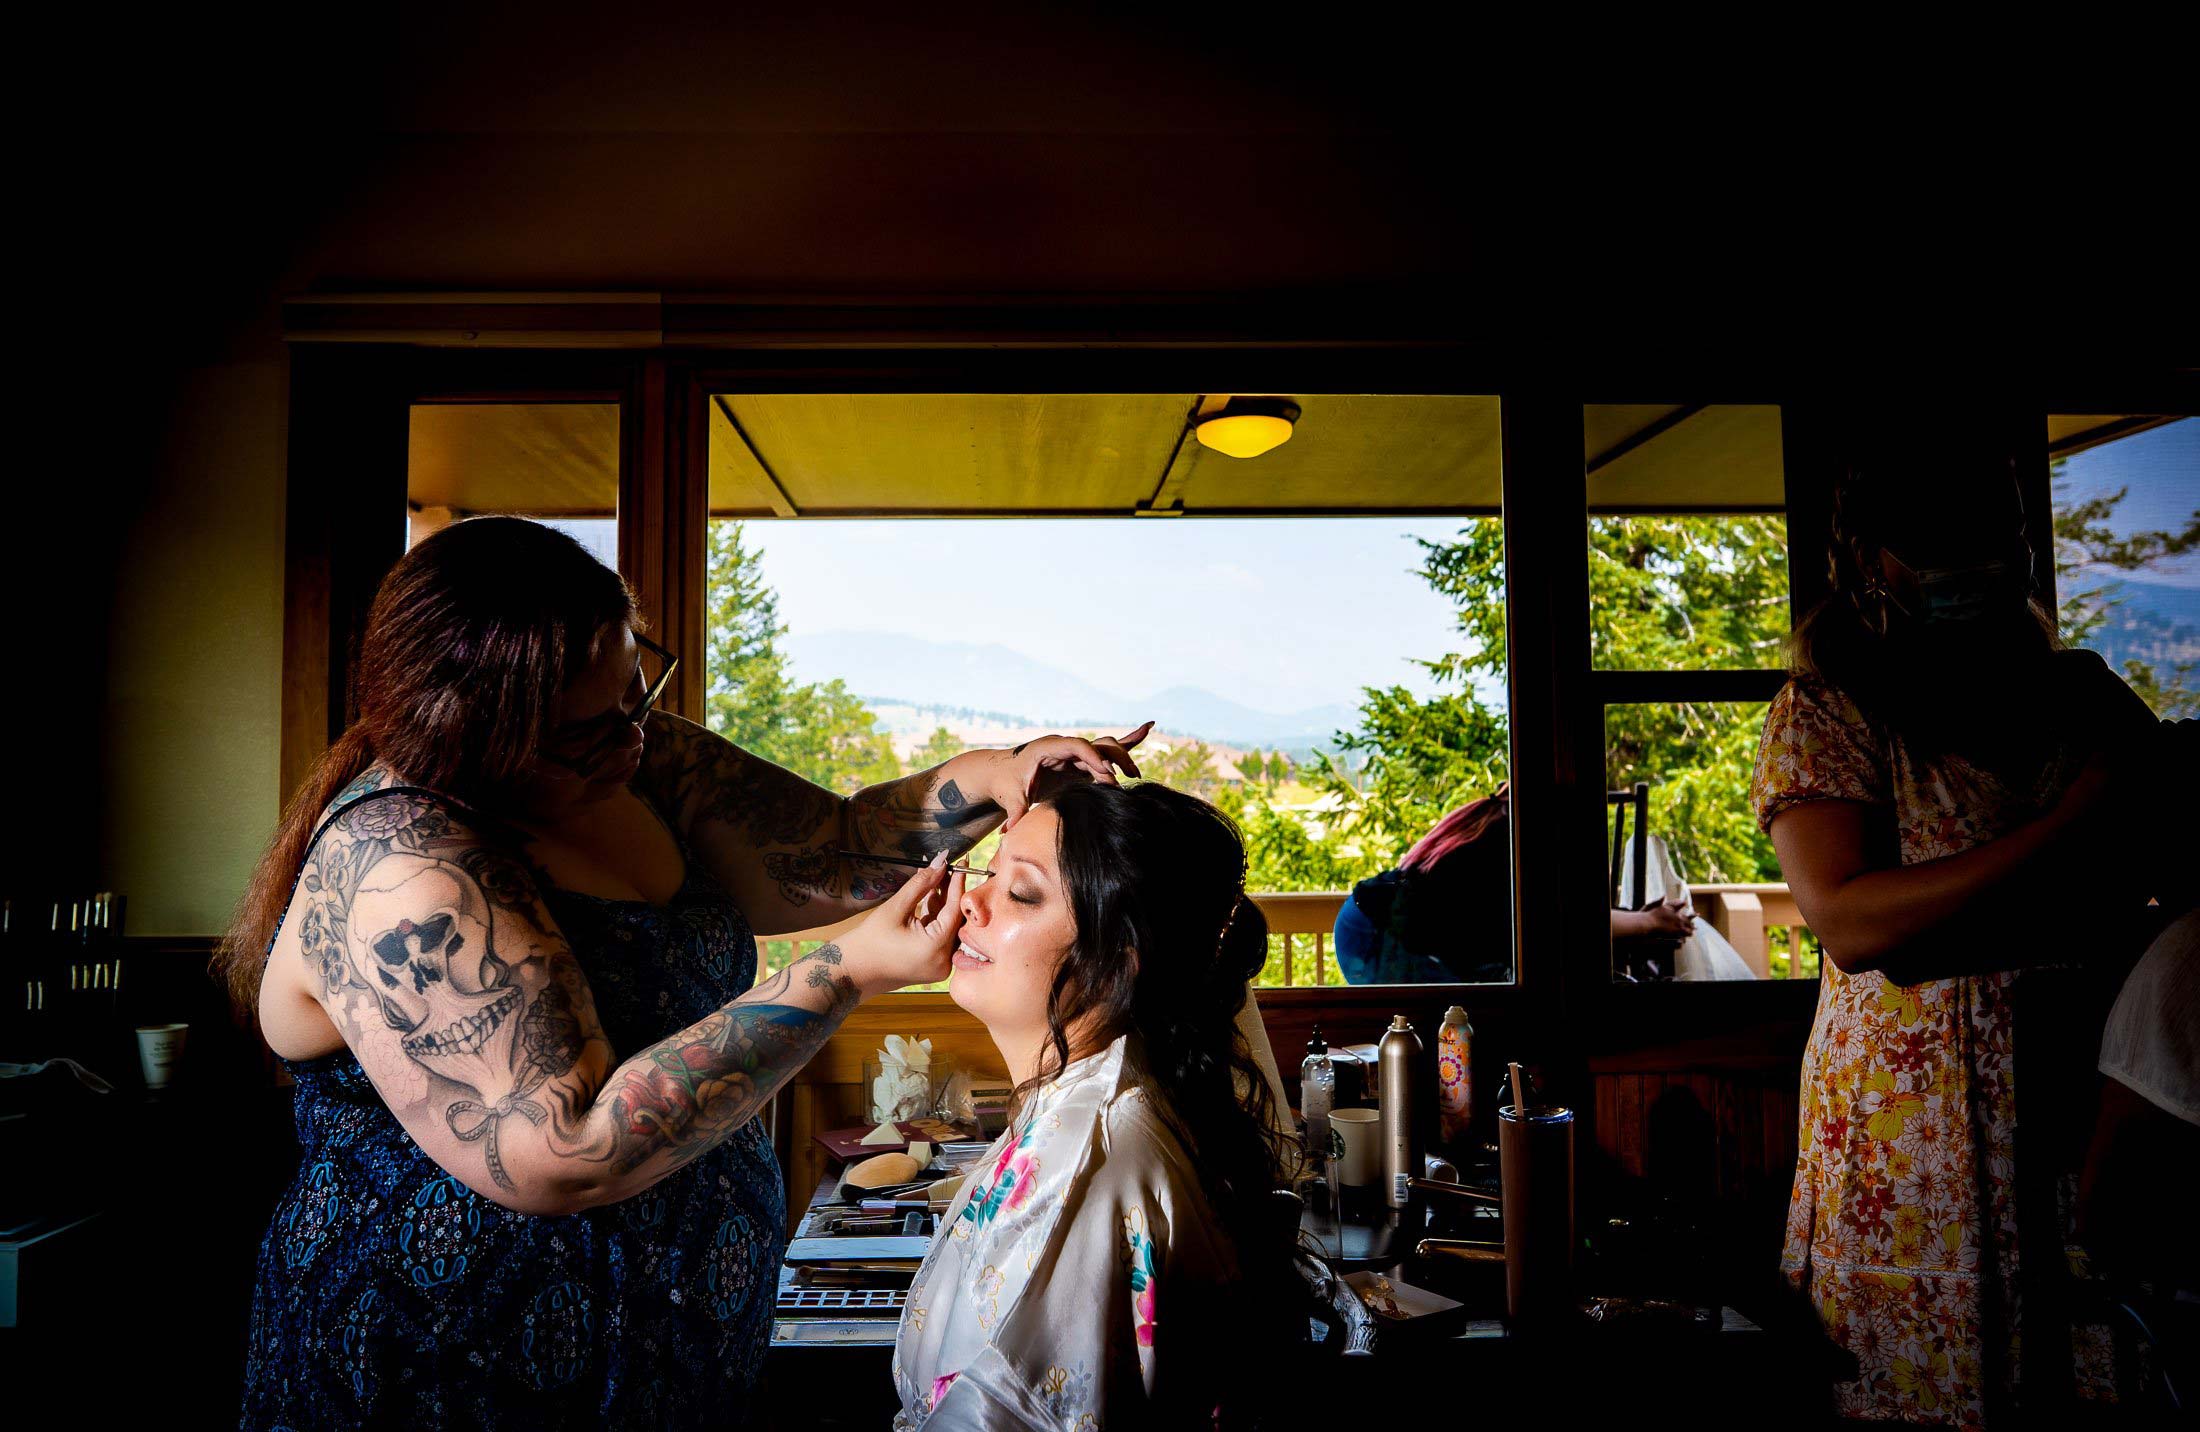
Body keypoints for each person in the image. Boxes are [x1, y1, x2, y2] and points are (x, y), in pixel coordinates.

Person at [218, 516, 1146, 1429]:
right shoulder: (399, 861)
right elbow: (561, 1147)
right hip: (450, 1374)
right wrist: (846, 970)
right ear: (474, 735)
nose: (632, 734)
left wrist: (999, 771)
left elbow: (836, 851)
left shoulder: (642, 762)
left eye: (636, 689)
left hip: (678, 1362)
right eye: (589, 730)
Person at [1750, 438, 2172, 1425]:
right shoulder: (1830, 707)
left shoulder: (2082, 694)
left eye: (1999, 539)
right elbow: (1849, 922)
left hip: (2086, 1082)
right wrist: (2063, 828)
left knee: (2087, 1359)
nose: (1975, 567)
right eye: (1939, 546)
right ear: (1871, 559)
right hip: (1918, 1114)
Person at [892, 779, 1308, 1429]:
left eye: (1020, 892)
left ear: (1117, 958)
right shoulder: (1091, 1104)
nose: (968, 903)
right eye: (988, 873)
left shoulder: (1087, 1161)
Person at [1333, 784, 1695, 984]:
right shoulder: (1509, 841)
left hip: (1364, 918)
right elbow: (1567, 918)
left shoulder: (1502, 820)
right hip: (1376, 936)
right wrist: (1649, 921)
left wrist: (1643, 919)